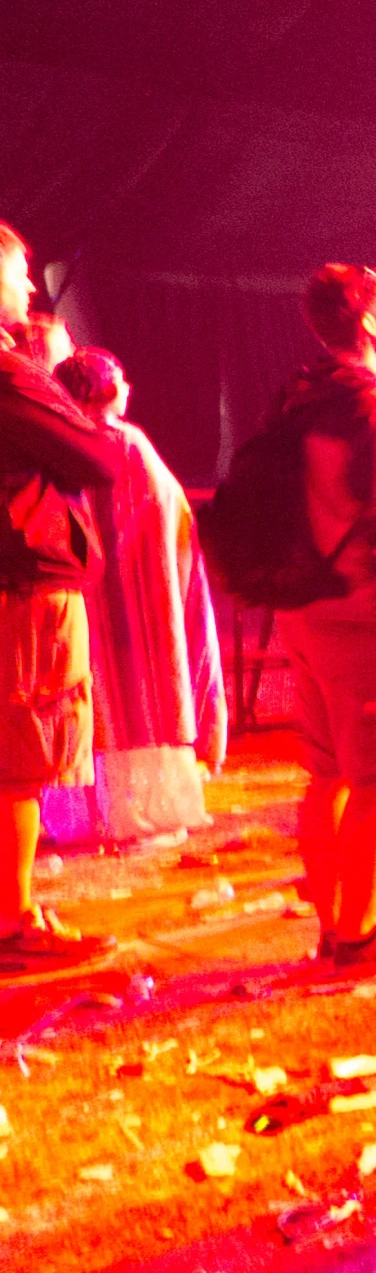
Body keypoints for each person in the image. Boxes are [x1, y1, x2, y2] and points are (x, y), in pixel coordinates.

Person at [278, 265, 376, 967]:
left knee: (328, 774)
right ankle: (358, 935)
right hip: (363, 615)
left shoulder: (299, 394)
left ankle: (333, 924)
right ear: (368, 325)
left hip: (305, 607)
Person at [0, 221, 120, 968]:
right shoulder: (10, 376)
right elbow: (98, 453)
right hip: (25, 584)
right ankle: (15, 923)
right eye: (20, 273)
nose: (30, 286)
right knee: (21, 754)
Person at [48, 349, 224, 846]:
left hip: (85, 595)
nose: (128, 388)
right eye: (121, 379)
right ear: (104, 387)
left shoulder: (60, 443)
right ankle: (143, 816)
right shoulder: (128, 443)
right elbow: (167, 513)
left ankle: (83, 817)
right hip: (143, 601)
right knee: (143, 701)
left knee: (93, 699)